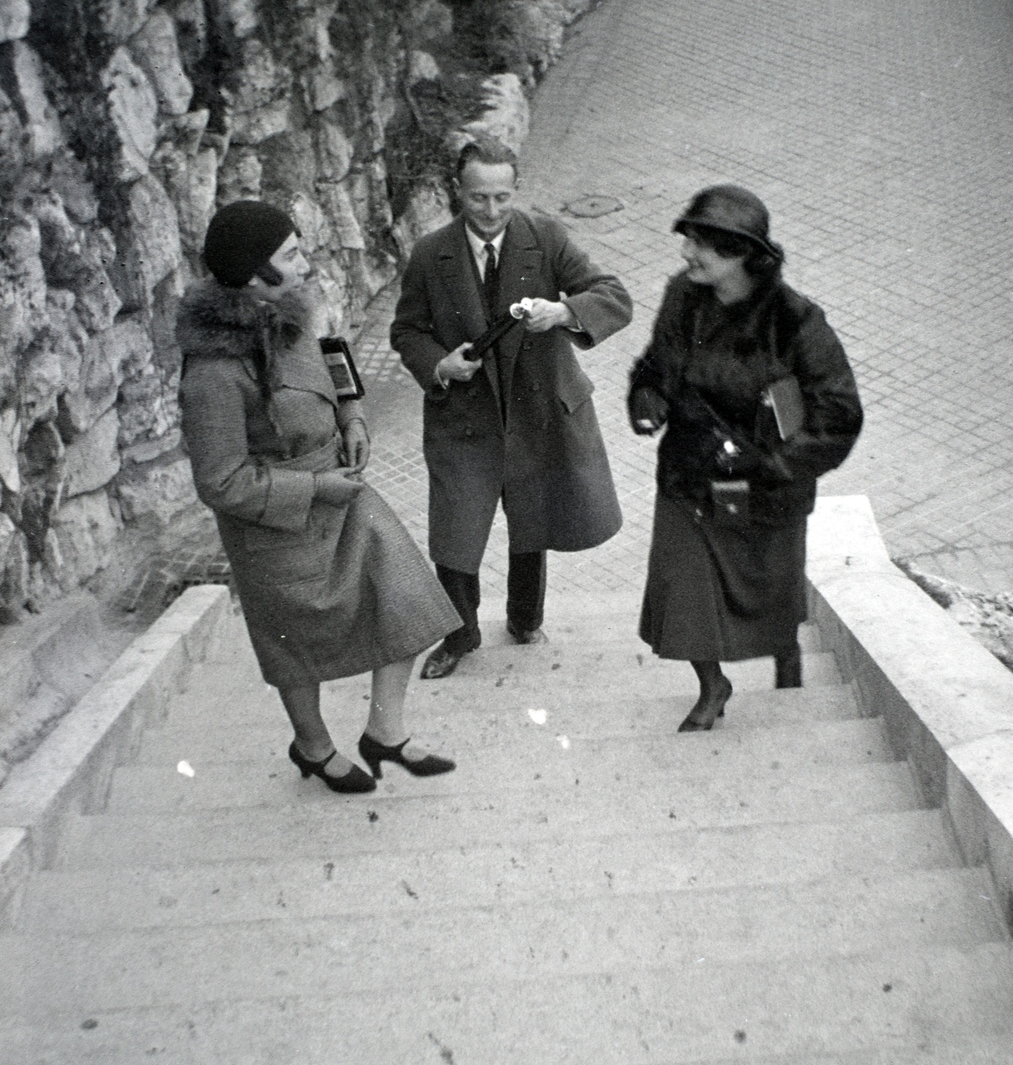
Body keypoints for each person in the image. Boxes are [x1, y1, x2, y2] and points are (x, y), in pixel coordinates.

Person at [177, 200, 460, 793]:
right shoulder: (212, 372)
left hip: (342, 493)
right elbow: (219, 480)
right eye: (291, 254)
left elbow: (332, 356)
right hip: (275, 525)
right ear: (256, 276)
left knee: (408, 600)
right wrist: (315, 489)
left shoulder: (291, 308)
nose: (305, 260)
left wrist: (353, 418)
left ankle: (385, 733)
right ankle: (312, 746)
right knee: (295, 647)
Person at [391, 136, 633, 678]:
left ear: (516, 190)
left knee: (533, 518)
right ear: (459, 192)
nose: (492, 211)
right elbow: (406, 330)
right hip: (465, 418)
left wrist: (564, 311)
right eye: (479, 198)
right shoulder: (432, 253)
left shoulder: (545, 237)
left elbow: (613, 295)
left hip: (536, 409)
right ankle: (459, 636)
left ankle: (525, 619)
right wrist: (439, 363)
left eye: (502, 197)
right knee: (455, 533)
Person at [627, 184, 863, 730]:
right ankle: (713, 686)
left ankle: (786, 657)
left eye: (699, 246)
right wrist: (648, 400)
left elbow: (841, 416)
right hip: (690, 475)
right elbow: (655, 367)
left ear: (739, 255)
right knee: (685, 596)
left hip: (767, 489)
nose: (686, 254)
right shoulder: (681, 296)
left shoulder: (798, 321)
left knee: (771, 596)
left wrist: (774, 466)